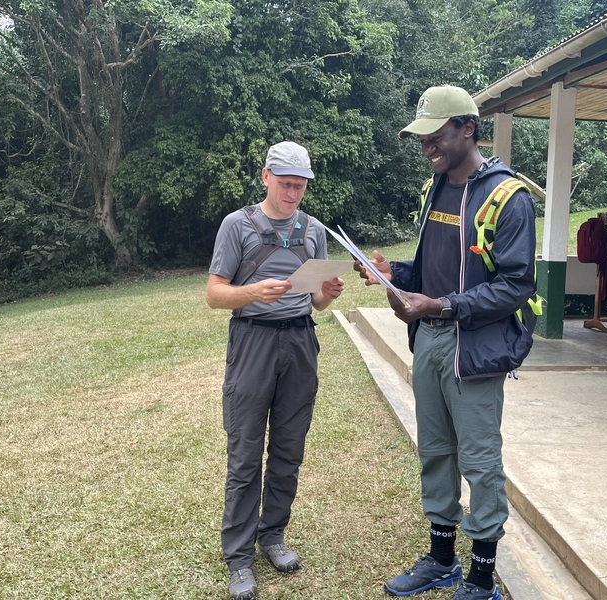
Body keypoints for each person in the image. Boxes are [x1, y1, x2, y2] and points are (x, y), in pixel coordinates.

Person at [355, 86, 537, 600]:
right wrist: (395, 272)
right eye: (422, 136)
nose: (427, 145)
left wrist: (441, 306)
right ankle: (442, 559)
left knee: (479, 462)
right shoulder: (435, 188)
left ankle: (482, 578)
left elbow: (515, 285)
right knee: (435, 452)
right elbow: (437, 269)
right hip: (430, 342)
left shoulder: (508, 197)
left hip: (473, 350)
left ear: (468, 129)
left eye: (436, 135)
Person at [206, 141, 345, 600]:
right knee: (246, 452)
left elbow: (317, 301)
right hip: (253, 342)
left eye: (300, 186)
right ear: (265, 176)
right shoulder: (237, 226)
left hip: (300, 342)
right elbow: (214, 294)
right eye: (285, 184)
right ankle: (240, 557)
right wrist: (252, 293)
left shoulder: (313, 231)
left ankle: (272, 535)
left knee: (288, 448)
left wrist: (329, 293)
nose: (293, 193)